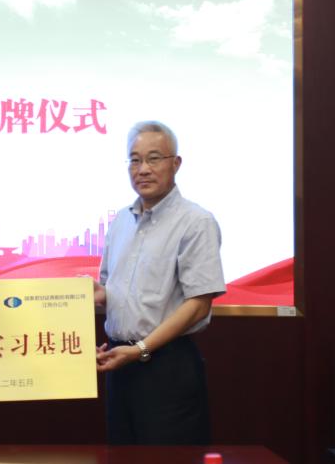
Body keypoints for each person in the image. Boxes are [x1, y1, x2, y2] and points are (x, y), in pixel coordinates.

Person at [94, 121, 225, 445]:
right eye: (135, 160)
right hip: (119, 364)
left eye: (154, 158)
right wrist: (97, 295)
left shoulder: (196, 222)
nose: (143, 169)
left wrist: (140, 349)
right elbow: (114, 291)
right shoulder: (121, 221)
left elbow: (199, 305)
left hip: (167, 369)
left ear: (175, 163)